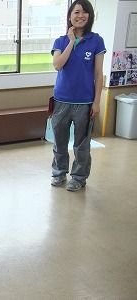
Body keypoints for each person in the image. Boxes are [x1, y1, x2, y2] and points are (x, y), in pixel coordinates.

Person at [50, 0, 106, 192]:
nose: (80, 15)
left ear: (89, 16)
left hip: (85, 102)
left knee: (82, 145)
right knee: (59, 142)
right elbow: (58, 65)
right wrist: (71, 41)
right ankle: (58, 173)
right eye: (76, 12)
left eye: (84, 12)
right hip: (61, 101)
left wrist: (97, 102)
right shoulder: (60, 41)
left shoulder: (96, 40)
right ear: (69, 16)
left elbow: (99, 74)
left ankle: (79, 177)